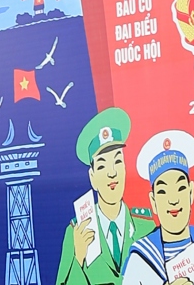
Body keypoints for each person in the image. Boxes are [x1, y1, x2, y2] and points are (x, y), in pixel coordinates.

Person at [122, 130, 194, 285]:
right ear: (153, 201)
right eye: (163, 192)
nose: (173, 200)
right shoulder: (141, 258)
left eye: (180, 188)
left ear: (191, 192)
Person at [55, 107, 156, 285]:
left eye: (117, 161)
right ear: (92, 177)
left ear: (125, 169)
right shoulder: (76, 232)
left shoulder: (146, 227)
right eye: (102, 166)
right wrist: (78, 259)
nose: (112, 173)